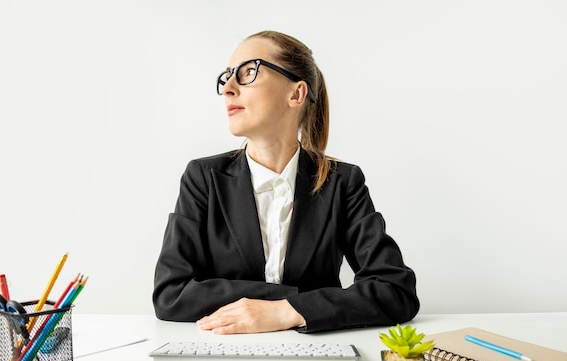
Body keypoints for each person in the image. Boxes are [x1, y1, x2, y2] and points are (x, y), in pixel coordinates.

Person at [153, 30, 419, 334]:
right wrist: (294, 302)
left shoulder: (342, 182)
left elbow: (396, 291)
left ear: (296, 94)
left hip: (318, 355)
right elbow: (170, 295)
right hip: (223, 354)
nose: (227, 88)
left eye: (248, 72)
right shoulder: (202, 178)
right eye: (226, 77)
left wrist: (286, 311)